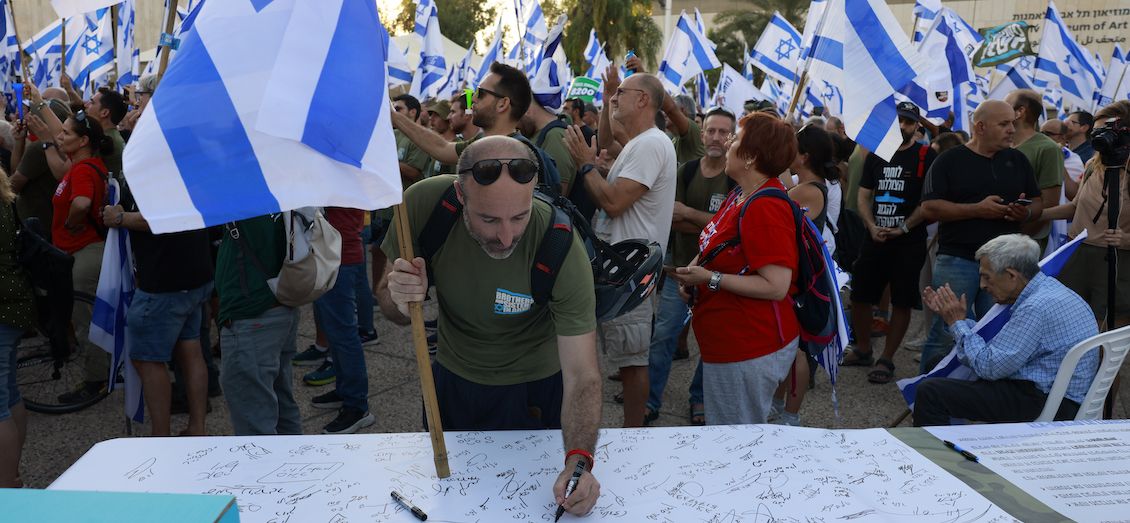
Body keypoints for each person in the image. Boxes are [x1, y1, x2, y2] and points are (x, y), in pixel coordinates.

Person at [377, 136, 600, 517]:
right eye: (489, 219)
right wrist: (399, 296)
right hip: (452, 383)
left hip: (535, 391)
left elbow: (582, 375)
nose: (507, 236)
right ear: (460, 195)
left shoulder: (560, 243)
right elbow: (388, 305)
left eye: (519, 216)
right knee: (450, 503)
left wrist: (579, 461)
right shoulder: (422, 205)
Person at [668, 112, 800, 425]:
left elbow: (776, 285)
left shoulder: (766, 206)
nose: (727, 143)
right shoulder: (739, 194)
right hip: (728, 343)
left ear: (751, 156)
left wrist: (710, 279)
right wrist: (693, 274)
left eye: (735, 139)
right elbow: (714, 246)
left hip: (749, 347)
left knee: (736, 443)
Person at [562, 69, 676, 428]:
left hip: (631, 270)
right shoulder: (641, 143)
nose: (613, 99)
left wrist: (584, 165)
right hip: (620, 267)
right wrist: (610, 90)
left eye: (622, 93)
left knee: (632, 361)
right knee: (627, 357)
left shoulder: (653, 144)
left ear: (643, 99)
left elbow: (612, 203)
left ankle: (634, 433)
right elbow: (608, 142)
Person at [913, 234, 1099, 426]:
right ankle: (957, 439)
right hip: (1051, 390)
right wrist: (954, 319)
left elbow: (990, 367)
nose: (983, 285)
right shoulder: (1049, 289)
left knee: (931, 392)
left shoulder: (1035, 307)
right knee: (939, 363)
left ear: (1011, 275)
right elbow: (1001, 348)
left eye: (987, 277)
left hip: (1045, 401)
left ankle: (936, 454)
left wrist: (957, 323)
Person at [918, 99, 1043, 373]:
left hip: (1003, 266)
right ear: (980, 127)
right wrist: (978, 209)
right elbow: (929, 207)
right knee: (945, 331)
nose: (1012, 129)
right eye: (1004, 124)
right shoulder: (948, 160)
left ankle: (977, 400)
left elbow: (1037, 202)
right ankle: (928, 400)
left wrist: (1025, 213)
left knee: (995, 332)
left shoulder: (1018, 160)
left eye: (1013, 122)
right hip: (957, 258)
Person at [647, 107, 736, 426]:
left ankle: (698, 398)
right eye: (711, 130)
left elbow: (733, 230)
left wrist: (692, 214)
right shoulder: (685, 170)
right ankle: (649, 399)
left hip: (718, 278)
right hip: (680, 272)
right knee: (662, 338)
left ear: (732, 137)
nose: (716, 137)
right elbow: (673, 219)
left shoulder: (736, 177)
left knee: (711, 345)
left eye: (723, 132)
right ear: (702, 134)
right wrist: (713, 224)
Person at [102, 187, 214, 437]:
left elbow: (161, 218)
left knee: (148, 359)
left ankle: (160, 437)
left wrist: (121, 218)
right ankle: (197, 428)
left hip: (164, 283)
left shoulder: (156, 163)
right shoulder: (184, 163)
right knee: (190, 351)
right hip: (195, 274)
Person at [844, 102, 936, 385]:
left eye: (907, 122)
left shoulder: (926, 156)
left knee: (902, 300)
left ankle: (887, 359)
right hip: (875, 238)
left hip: (909, 242)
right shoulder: (877, 156)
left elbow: (929, 202)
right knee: (859, 294)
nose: (901, 127)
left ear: (916, 127)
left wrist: (903, 228)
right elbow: (863, 196)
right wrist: (871, 226)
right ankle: (863, 349)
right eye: (897, 122)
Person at [769, 123, 838, 426]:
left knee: (796, 350)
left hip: (801, 280)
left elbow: (774, 202)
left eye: (793, 148)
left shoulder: (809, 191)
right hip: (797, 275)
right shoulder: (807, 186)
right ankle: (777, 404)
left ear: (805, 156)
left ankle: (789, 414)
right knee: (790, 346)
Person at [1041, 100, 1130, 327]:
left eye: (1106, 130)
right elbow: (1075, 207)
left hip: (1116, 260)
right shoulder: (1093, 164)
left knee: (1105, 326)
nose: (1099, 137)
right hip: (1077, 252)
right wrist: (1035, 214)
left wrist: (1126, 238)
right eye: (1096, 130)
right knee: (1070, 320)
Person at [215, 213, 302, 436]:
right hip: (280, 305)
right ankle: (295, 466)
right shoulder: (279, 190)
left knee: (255, 424)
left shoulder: (246, 199)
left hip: (251, 316)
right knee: (282, 406)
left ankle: (266, 470)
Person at [310, 207, 376, 434]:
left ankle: (357, 406)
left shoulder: (342, 173)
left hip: (338, 257)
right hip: (334, 254)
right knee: (337, 333)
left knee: (344, 334)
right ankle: (346, 390)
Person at [0, 173, 32, 487]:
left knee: (1, 403)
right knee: (9, 393)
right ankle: (13, 475)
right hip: (13, 301)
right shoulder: (5, 196)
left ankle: (6, 486)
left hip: (4, 304)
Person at [1006, 89, 1064, 243]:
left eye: (1006, 105)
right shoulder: (1000, 145)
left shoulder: (1048, 149)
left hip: (1022, 244)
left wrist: (1018, 238)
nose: (1001, 109)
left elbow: (1049, 203)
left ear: (1020, 112)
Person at [392, 94, 432, 186]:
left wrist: (387, 160)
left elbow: (413, 173)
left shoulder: (420, 137)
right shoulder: (392, 134)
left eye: (398, 109)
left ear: (412, 112)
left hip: (408, 196)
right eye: (393, 110)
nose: (393, 113)